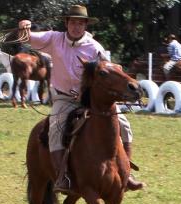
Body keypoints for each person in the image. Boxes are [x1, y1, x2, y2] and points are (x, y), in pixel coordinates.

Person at [17, 5, 144, 193]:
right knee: (56, 128)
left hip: (90, 99)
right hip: (64, 98)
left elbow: (107, 72)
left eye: (80, 23)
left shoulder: (95, 48)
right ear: (66, 23)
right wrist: (24, 26)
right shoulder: (54, 39)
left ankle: (126, 175)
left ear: (85, 25)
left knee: (124, 124)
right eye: (73, 22)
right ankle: (62, 176)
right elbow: (27, 38)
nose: (76, 26)